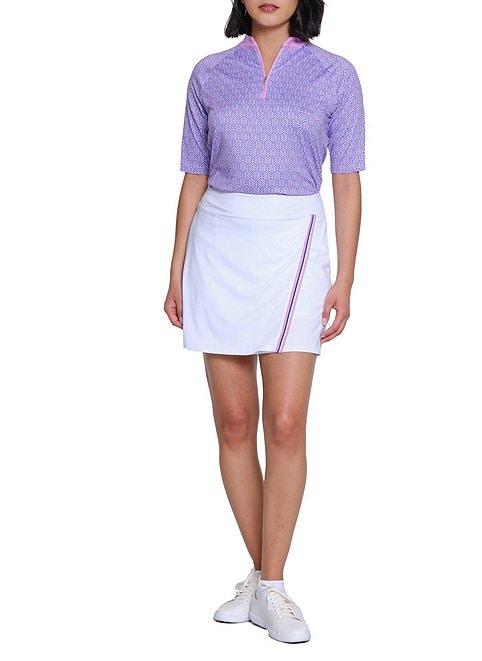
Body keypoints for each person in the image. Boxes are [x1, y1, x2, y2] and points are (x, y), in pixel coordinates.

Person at [164, 0, 364, 644]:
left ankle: (271, 585)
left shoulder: (335, 75)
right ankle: (263, 578)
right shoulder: (209, 73)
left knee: (284, 422)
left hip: (294, 244)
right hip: (218, 243)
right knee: (232, 422)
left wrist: (345, 277)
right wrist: (175, 269)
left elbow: (347, 181)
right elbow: (194, 176)